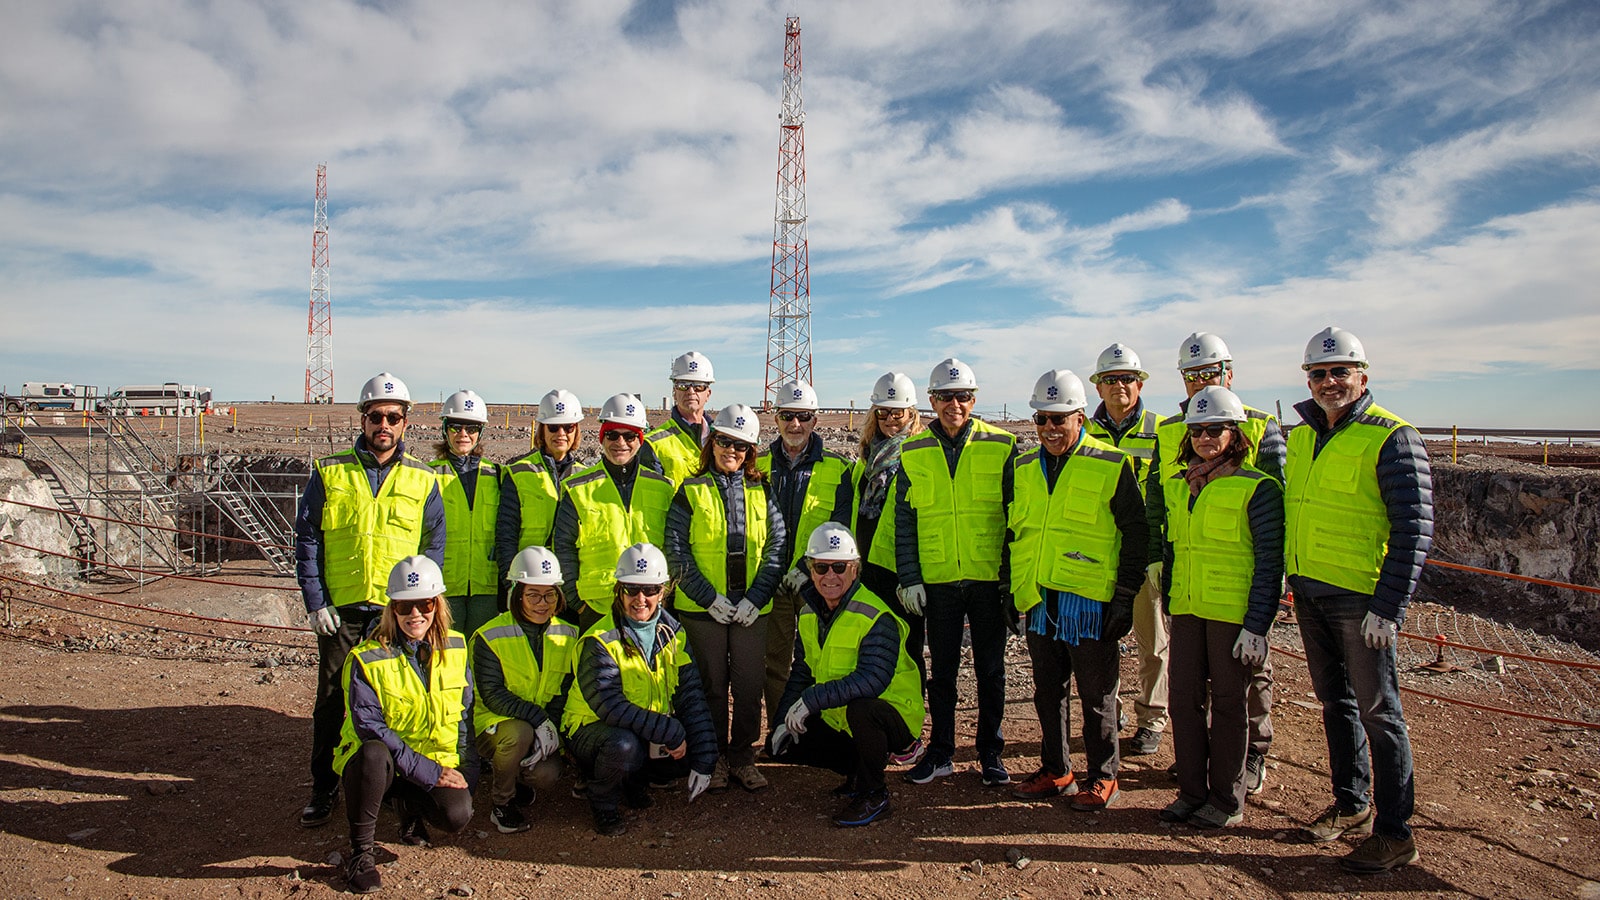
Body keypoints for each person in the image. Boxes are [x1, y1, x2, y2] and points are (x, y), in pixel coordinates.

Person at [1286, 327, 1431, 874]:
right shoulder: (1302, 436)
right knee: (1336, 703)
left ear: (1362, 376)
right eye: (1319, 373)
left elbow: (1413, 528)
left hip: (1361, 599)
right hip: (1310, 591)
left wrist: (1388, 607)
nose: (1329, 382)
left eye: (1339, 371)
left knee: (1380, 713)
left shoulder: (1392, 437)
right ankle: (1351, 804)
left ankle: (1395, 833)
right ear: (1308, 380)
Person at [296, 372, 445, 829]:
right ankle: (324, 787)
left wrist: (421, 608)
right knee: (331, 701)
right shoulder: (330, 471)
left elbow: (433, 547)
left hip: (396, 614)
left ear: (405, 423)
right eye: (376, 416)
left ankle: (402, 792)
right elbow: (308, 539)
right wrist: (316, 601)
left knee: (401, 701)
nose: (384, 425)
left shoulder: (422, 478)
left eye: (393, 417)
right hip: (341, 611)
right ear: (362, 419)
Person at [1146, 332, 1284, 791]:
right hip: (1190, 577)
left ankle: (1250, 755)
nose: (1200, 380)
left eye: (1209, 371)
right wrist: (1157, 557)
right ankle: (1202, 759)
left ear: (1229, 372)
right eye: (1192, 374)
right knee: (1191, 680)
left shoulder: (1260, 425)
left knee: (1247, 676)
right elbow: (1158, 497)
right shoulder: (1171, 429)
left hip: (1237, 582)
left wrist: (1271, 587)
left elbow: (1275, 505)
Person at [1006, 370, 1146, 811]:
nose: (1049, 428)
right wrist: (1010, 589)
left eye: (1058, 419)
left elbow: (1136, 533)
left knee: (1097, 695)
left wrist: (1124, 596)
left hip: (1088, 604)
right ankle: (1056, 769)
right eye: (1041, 419)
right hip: (1040, 599)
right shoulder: (1024, 468)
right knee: (1048, 691)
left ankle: (1104, 775)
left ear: (1079, 418)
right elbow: (1015, 532)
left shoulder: (1111, 464)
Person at [895, 358, 1017, 787]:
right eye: (945, 397)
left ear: (974, 399)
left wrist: (1010, 581)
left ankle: (990, 752)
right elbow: (905, 521)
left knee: (991, 670)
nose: (955, 404)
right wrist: (910, 577)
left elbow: (1014, 519)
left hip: (987, 580)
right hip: (939, 579)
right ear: (931, 401)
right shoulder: (913, 451)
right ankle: (942, 751)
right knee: (942, 672)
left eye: (962, 396)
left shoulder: (1001, 445)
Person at [767, 523, 926, 826]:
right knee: (789, 741)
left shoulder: (875, 615)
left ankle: (874, 793)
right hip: (841, 716)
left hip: (893, 716)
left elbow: (873, 679)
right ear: (811, 570)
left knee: (863, 709)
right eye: (821, 567)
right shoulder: (809, 614)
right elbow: (801, 672)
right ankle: (857, 771)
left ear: (855, 569)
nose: (830, 576)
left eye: (839, 567)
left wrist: (811, 701)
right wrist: (781, 721)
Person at [664, 404, 787, 793]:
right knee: (711, 686)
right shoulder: (690, 490)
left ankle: (742, 757)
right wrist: (707, 598)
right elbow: (676, 551)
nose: (730, 450)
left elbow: (777, 546)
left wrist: (757, 597)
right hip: (704, 612)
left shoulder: (762, 490)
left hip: (752, 610)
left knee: (749, 685)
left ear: (750, 451)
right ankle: (713, 756)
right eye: (723, 441)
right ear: (711, 443)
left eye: (740, 445)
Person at [336, 556, 474, 894]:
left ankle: (408, 807)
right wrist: (429, 772)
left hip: (427, 762)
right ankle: (361, 853)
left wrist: (464, 770)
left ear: (437, 604)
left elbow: (464, 714)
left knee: (457, 814)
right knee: (373, 753)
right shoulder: (366, 658)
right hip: (377, 766)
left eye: (424, 604)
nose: (415, 614)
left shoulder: (457, 647)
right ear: (391, 609)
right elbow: (370, 727)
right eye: (403, 606)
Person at [562, 543, 718, 836]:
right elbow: (611, 707)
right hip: (590, 731)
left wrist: (706, 759)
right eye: (631, 589)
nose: (641, 599)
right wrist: (669, 731)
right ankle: (603, 801)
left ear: (662, 592)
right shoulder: (600, 640)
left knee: (689, 750)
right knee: (624, 746)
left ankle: (633, 782)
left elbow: (691, 694)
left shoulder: (673, 633)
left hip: (643, 726)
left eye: (650, 590)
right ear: (618, 591)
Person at [1084, 344, 1167, 757]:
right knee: (1102, 641)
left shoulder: (1162, 430)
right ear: (1098, 387)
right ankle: (1108, 714)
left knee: (1152, 643)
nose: (1119, 385)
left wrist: (1160, 552)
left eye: (1127, 378)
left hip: (1143, 552)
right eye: (1110, 379)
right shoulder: (1082, 430)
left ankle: (1151, 718)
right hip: (1099, 554)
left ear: (1140, 384)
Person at [757, 380, 854, 727]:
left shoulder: (838, 468)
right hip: (772, 582)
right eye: (787, 416)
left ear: (815, 420)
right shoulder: (757, 465)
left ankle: (822, 732)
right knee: (775, 662)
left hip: (819, 583)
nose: (795, 424)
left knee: (823, 658)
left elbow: (840, 525)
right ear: (775, 418)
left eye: (803, 417)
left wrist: (804, 567)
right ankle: (780, 731)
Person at [470, 546, 579, 835]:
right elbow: (493, 694)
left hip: (542, 727)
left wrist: (551, 730)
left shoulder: (569, 634)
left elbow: (565, 690)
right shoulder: (489, 635)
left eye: (549, 595)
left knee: (547, 774)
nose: (542, 603)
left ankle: (518, 779)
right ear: (517, 594)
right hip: (496, 727)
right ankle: (502, 803)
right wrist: (539, 720)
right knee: (518, 734)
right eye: (533, 595)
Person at [553, 393, 676, 630]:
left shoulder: (663, 488)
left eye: (630, 436)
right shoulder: (578, 488)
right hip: (597, 606)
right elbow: (563, 546)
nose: (621, 442)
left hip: (649, 605)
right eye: (612, 434)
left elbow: (673, 545)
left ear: (640, 440)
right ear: (602, 437)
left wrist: (666, 594)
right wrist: (577, 602)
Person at [850, 372, 927, 686]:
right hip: (865, 572)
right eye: (883, 412)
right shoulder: (864, 461)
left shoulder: (921, 458)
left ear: (912, 414)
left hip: (900, 575)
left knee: (907, 651)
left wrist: (912, 577)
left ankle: (910, 715)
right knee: (869, 652)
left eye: (898, 413)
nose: (891, 420)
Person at [429, 389, 501, 637]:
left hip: (486, 586)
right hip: (444, 584)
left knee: (481, 650)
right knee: (446, 651)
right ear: (445, 429)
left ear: (480, 432)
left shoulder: (497, 475)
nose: (463, 434)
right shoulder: (428, 475)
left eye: (471, 428)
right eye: (456, 427)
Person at [497, 389, 584, 582]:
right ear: (542, 430)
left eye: (568, 427)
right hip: (528, 578)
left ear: (576, 430)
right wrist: (511, 583)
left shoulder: (585, 477)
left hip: (571, 579)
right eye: (553, 427)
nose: (561, 434)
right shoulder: (518, 473)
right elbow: (506, 536)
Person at [642, 351, 716, 486]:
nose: (691, 392)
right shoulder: (653, 444)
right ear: (674, 392)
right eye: (683, 385)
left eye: (698, 386)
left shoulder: (723, 439)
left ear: (708, 394)